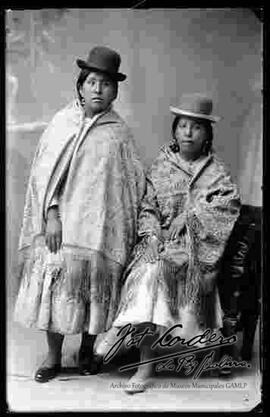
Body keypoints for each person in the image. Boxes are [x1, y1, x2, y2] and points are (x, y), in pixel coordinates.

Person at [14, 46, 145, 383]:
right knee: (57, 287)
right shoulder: (62, 123)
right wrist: (52, 215)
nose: (98, 89)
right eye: (92, 82)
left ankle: (87, 351)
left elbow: (131, 185)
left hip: (99, 230)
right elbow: (44, 176)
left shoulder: (119, 134)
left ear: (115, 91)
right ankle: (53, 356)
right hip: (62, 228)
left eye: (105, 84)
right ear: (80, 86)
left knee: (94, 290)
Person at [98, 93, 241, 394]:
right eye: (183, 126)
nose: (188, 133)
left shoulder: (216, 172)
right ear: (175, 130)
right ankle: (140, 356)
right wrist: (151, 237)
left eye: (197, 127)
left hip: (195, 251)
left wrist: (191, 218)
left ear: (207, 135)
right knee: (150, 267)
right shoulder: (162, 165)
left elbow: (227, 207)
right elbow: (147, 207)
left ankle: (126, 338)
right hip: (160, 243)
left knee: (158, 272)